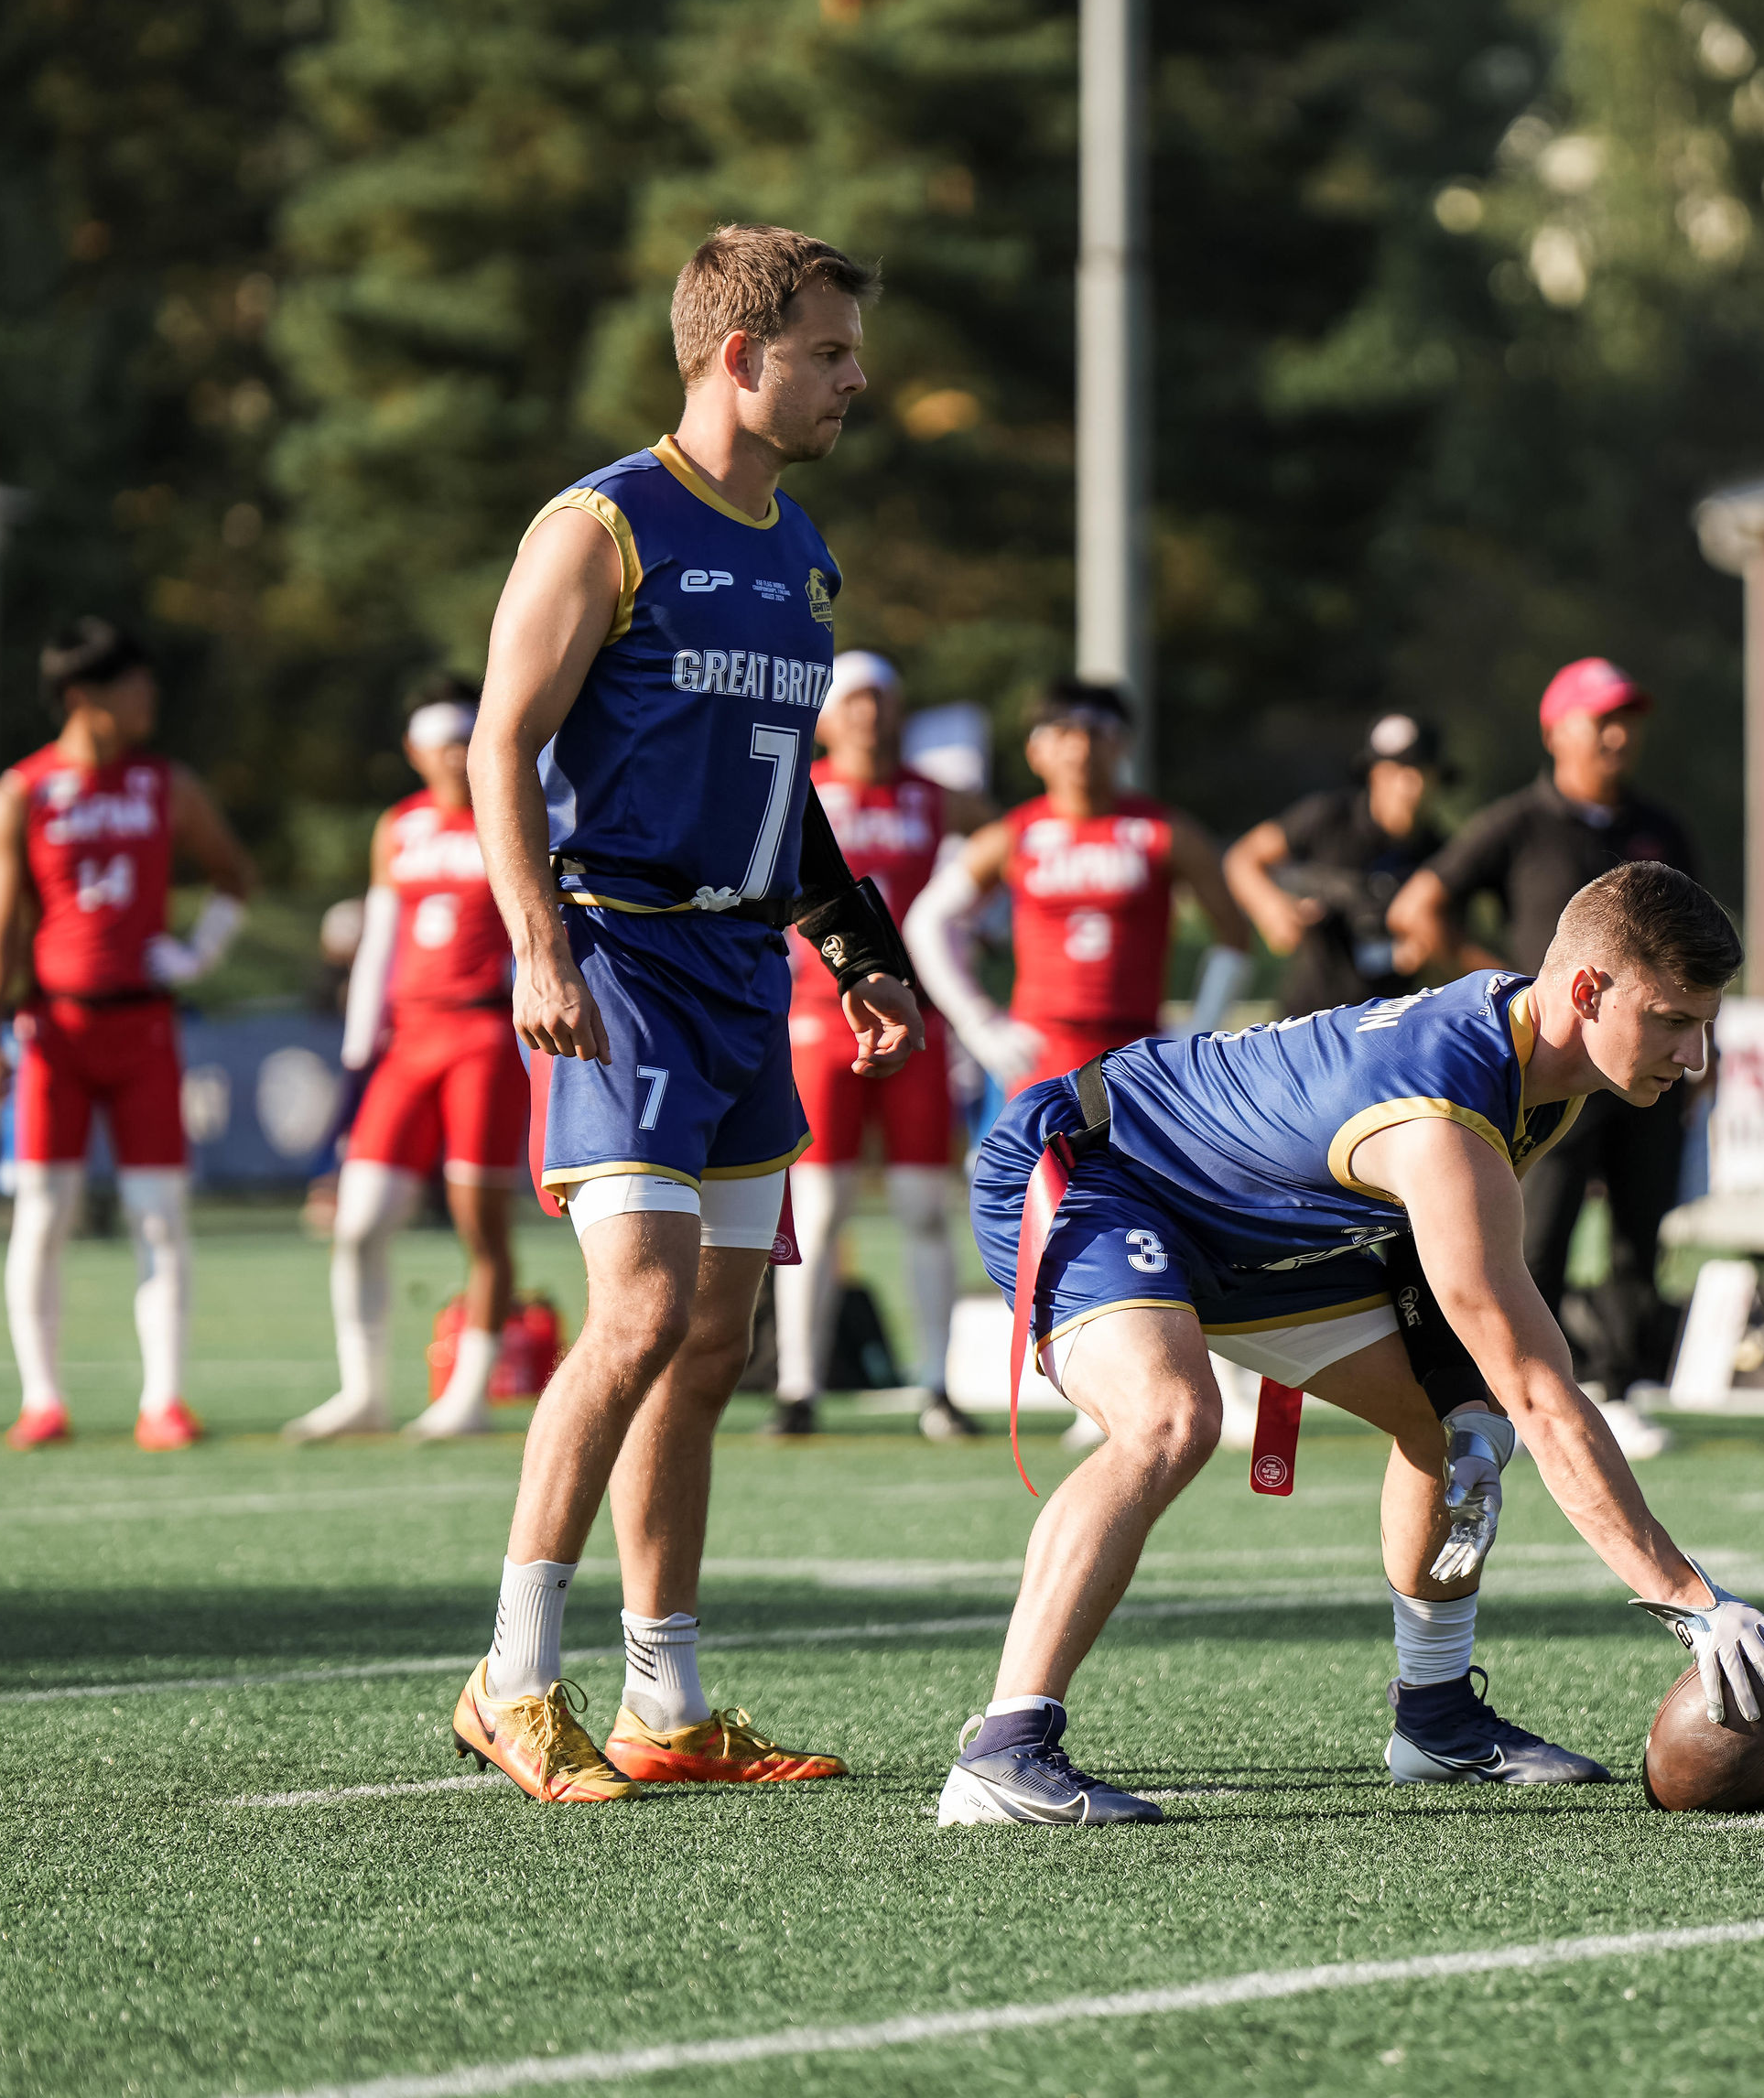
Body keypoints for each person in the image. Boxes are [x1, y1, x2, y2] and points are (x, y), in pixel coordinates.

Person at [941, 863, 1764, 1825]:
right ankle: (1004, 1750)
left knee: (1459, 1429)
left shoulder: (1536, 1062)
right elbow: (1541, 1388)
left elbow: (1434, 1268)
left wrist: (1464, 1403)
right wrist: (1691, 1599)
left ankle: (1435, 1720)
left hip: (1257, 1223)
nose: (1694, 1056)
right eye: (1672, 1020)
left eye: (1704, 1024)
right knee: (1172, 1418)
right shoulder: (1445, 1112)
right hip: (1100, 1170)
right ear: (1586, 990)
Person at [452, 223, 928, 1801]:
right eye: (830, 352)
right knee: (642, 1313)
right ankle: (514, 1677)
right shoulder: (603, 523)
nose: (857, 379)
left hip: (742, 978)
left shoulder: (801, 551)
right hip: (621, 963)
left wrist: (852, 947)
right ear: (739, 357)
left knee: (714, 1344)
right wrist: (538, 949)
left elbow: (780, 788)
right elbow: (500, 746)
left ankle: (666, 1699)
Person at [0, 620, 257, 1453]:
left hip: (144, 1028)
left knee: (158, 1216)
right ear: (83, 695)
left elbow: (234, 876)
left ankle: (163, 1401)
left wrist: (196, 954)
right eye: (135, 683)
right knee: (42, 1214)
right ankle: (42, 1400)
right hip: (53, 1028)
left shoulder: (167, 784)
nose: (150, 696)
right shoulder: (20, 792)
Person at [1387, 660, 1696, 1415]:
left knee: (1641, 1227)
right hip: (1551, 1066)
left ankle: (1622, 1386)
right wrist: (1499, 984)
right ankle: (1525, 1390)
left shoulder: (1660, 829)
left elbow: (1695, 953)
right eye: (1602, 720)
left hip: (1646, 1059)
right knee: (1541, 1230)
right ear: (1557, 732)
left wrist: (1700, 1045)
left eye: (1628, 719)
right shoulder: (1517, 824)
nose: (1620, 735)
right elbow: (1417, 907)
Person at [290, 677, 525, 1444]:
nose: (454, 756)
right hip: (409, 1038)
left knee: (479, 1223)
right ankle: (363, 1391)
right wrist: (360, 1050)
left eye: (464, 740)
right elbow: (380, 941)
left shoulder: (513, 812)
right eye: (441, 743)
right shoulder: (398, 825)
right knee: (359, 1223)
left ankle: (469, 1395)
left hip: (483, 1036)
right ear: (414, 750)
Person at [773, 650, 993, 1441]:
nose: (868, 714)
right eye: (853, 700)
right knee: (820, 1207)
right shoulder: (798, 786)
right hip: (818, 1017)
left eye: (879, 699)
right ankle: (798, 1386)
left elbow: (1007, 849)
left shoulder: (937, 797)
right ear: (827, 715)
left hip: (913, 1016)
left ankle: (938, 1387)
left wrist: (979, 943)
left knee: (923, 1207)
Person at [904, 678, 1253, 1093]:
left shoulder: (1165, 832)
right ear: (1035, 750)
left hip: (1137, 1049)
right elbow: (926, 921)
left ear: (1122, 744)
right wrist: (977, 1022)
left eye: (1097, 732)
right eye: (1064, 732)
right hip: (1041, 1050)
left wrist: (1201, 1027)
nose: (1080, 748)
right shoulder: (1013, 835)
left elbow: (1234, 932)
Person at [1224, 713, 1450, 1018]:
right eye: (1396, 771)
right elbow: (1243, 858)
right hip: (1307, 1016)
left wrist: (1427, 951)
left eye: (1422, 771)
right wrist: (1273, 909)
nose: (1411, 785)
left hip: (1386, 1024)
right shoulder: (1328, 818)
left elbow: (1449, 948)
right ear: (1374, 774)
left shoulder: (1441, 854)